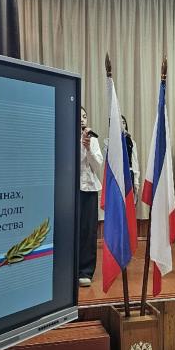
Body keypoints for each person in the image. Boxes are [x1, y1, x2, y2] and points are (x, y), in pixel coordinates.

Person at [78, 107, 104, 287]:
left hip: (89, 190)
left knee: (88, 231)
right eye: (79, 116)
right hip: (70, 191)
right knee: (72, 230)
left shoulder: (92, 139)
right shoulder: (66, 136)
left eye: (85, 116)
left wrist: (88, 148)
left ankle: (85, 271)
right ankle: (69, 269)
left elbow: (97, 165)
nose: (82, 119)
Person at [104, 115, 140, 203]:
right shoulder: (108, 141)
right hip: (115, 175)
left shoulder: (131, 141)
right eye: (119, 123)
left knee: (128, 203)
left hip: (128, 174)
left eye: (123, 123)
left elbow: (134, 162)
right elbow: (107, 160)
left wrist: (136, 181)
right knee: (116, 203)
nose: (122, 125)